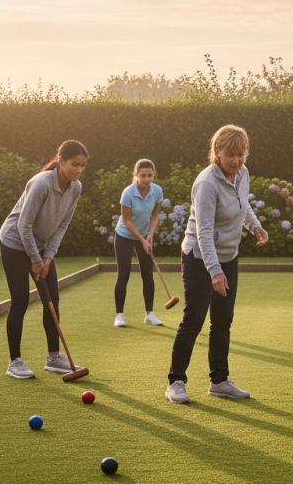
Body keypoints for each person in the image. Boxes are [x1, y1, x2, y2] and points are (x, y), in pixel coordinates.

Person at [165, 125, 269, 404]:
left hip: (228, 256)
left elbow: (242, 203)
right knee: (194, 319)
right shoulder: (206, 184)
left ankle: (219, 381)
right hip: (200, 258)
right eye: (230, 155)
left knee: (223, 321)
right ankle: (176, 381)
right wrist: (215, 271)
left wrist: (254, 225)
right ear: (216, 153)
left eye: (241, 154)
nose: (236, 160)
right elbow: (204, 233)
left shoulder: (241, 173)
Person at [0, 140, 89, 379]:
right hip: (14, 243)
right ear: (61, 161)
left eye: (82, 165)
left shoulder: (75, 187)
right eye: (74, 164)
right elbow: (23, 225)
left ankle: (53, 357)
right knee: (20, 301)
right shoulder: (40, 184)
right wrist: (35, 258)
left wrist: (47, 257)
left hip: (39, 247)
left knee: (52, 300)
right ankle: (14, 361)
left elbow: (62, 225)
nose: (78, 170)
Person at [113, 159, 164, 327]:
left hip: (144, 234)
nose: (146, 179)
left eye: (150, 175)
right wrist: (142, 239)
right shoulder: (128, 193)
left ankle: (149, 314)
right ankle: (119, 315)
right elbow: (126, 220)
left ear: (154, 175)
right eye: (143, 175)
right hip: (124, 235)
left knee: (148, 275)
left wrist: (150, 235)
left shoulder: (157, 191)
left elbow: (155, 215)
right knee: (124, 274)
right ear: (136, 175)